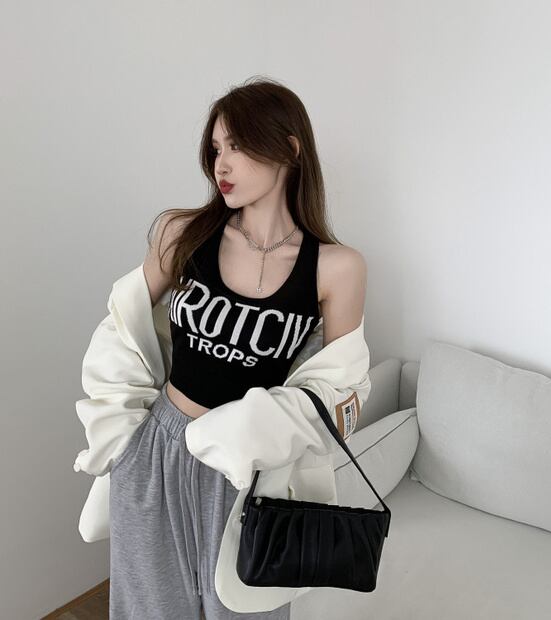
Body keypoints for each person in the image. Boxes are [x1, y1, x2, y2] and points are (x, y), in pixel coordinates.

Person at [107, 76, 368, 619]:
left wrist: (280, 426)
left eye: (237, 146)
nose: (220, 164)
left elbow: (342, 390)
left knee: (247, 612)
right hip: (157, 451)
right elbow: (121, 330)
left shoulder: (336, 267)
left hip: (249, 472)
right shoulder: (181, 233)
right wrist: (124, 441)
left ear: (289, 149)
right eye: (215, 149)